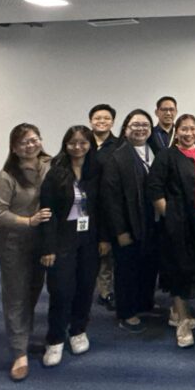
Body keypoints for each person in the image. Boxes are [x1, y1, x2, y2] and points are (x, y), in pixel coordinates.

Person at [0, 123, 52, 382]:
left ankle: (23, 337)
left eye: (34, 140)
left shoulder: (49, 166)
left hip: (42, 242)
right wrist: (28, 221)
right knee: (16, 295)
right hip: (14, 242)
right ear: (14, 148)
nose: (30, 145)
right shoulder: (6, 176)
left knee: (33, 290)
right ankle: (19, 352)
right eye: (24, 142)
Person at [149, 113, 195, 348]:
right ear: (176, 132)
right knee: (179, 268)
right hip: (178, 223)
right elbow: (155, 189)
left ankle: (178, 311)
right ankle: (182, 321)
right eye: (183, 129)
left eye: (192, 129)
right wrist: (169, 216)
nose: (188, 133)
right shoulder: (166, 156)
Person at [38, 126, 102, 367]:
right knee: (61, 290)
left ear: (90, 145)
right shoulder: (55, 173)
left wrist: (104, 239)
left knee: (86, 287)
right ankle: (55, 339)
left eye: (83, 142)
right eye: (73, 142)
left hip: (90, 237)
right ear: (65, 145)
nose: (78, 147)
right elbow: (47, 212)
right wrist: (48, 247)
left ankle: (78, 330)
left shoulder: (96, 171)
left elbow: (104, 206)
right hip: (63, 237)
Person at [101, 109, 159, 335]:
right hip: (128, 224)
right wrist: (120, 231)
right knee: (127, 269)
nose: (140, 129)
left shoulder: (155, 150)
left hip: (151, 221)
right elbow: (111, 199)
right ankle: (126, 313)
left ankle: (144, 303)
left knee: (148, 265)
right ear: (125, 129)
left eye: (145, 125)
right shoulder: (117, 156)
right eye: (135, 125)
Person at [88, 103, 117, 311]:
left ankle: (106, 291)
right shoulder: (82, 140)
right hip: (85, 203)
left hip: (108, 202)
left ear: (112, 122)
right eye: (98, 118)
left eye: (106, 118)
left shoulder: (119, 145)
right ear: (91, 121)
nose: (102, 121)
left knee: (107, 249)